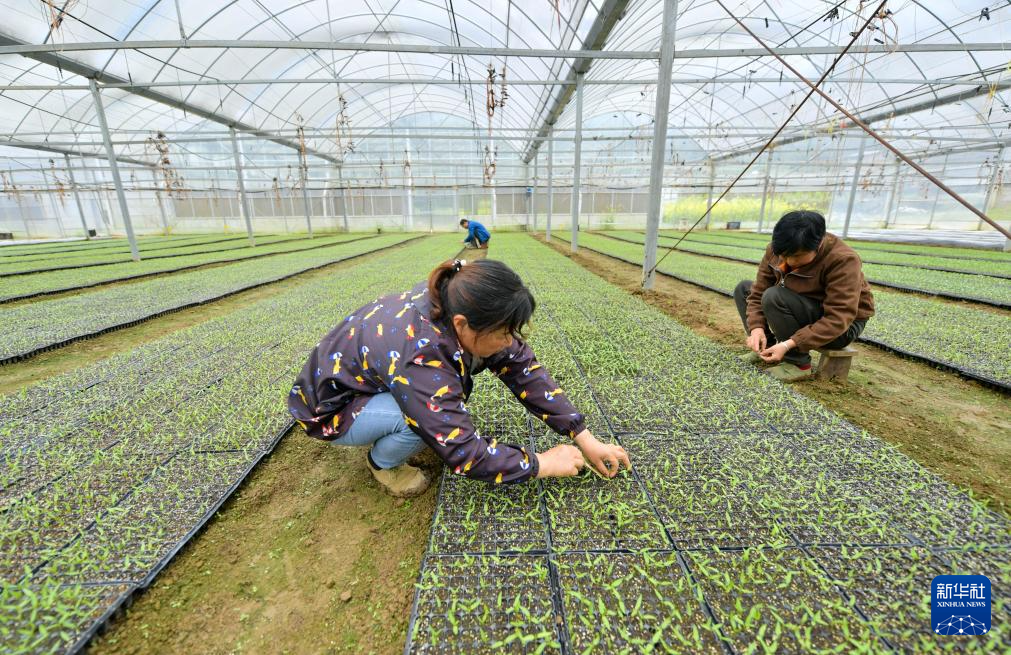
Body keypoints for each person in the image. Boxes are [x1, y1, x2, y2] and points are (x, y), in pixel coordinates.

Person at [288, 258, 630, 497]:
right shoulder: (421, 354)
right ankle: (382, 464)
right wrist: (543, 463)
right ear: (462, 325)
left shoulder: (453, 301)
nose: (509, 342)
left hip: (365, 379)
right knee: (417, 421)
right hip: (330, 407)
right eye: (503, 333)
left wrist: (583, 436)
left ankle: (390, 422)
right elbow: (465, 452)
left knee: (432, 408)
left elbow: (522, 368)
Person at [733, 210, 875, 382]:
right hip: (800, 304)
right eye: (783, 256)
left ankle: (797, 363)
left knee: (774, 296)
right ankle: (765, 349)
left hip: (842, 327)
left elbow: (839, 317)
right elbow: (758, 292)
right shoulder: (777, 250)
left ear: (818, 244)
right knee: (744, 289)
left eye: (796, 256)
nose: (788, 261)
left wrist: (788, 344)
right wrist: (756, 328)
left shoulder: (842, 260)